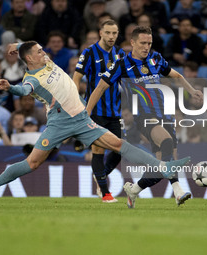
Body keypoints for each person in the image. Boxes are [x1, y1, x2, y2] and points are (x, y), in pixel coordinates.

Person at [0, 40, 191, 208]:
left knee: (117, 143)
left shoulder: (46, 60)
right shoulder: (31, 79)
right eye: (39, 51)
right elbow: (23, 91)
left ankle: (162, 167)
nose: (44, 52)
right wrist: (10, 87)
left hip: (81, 119)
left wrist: (17, 46)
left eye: (42, 49)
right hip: (59, 122)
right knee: (32, 163)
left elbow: (28, 49)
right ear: (30, 59)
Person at [85, 26, 203, 208]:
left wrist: (192, 90)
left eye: (149, 43)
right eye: (143, 43)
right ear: (132, 42)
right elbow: (100, 88)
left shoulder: (156, 59)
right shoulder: (121, 65)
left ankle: (134, 190)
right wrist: (86, 113)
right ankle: (178, 191)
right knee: (166, 143)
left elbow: (176, 75)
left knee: (161, 166)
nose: (146, 47)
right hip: (144, 117)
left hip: (165, 115)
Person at [73, 19, 125, 202]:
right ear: (101, 33)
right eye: (108, 33)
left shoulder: (120, 53)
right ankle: (105, 193)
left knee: (120, 150)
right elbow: (77, 77)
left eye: (115, 33)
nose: (111, 36)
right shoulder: (89, 53)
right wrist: (75, 101)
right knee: (98, 150)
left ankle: (100, 175)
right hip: (94, 110)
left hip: (115, 111)